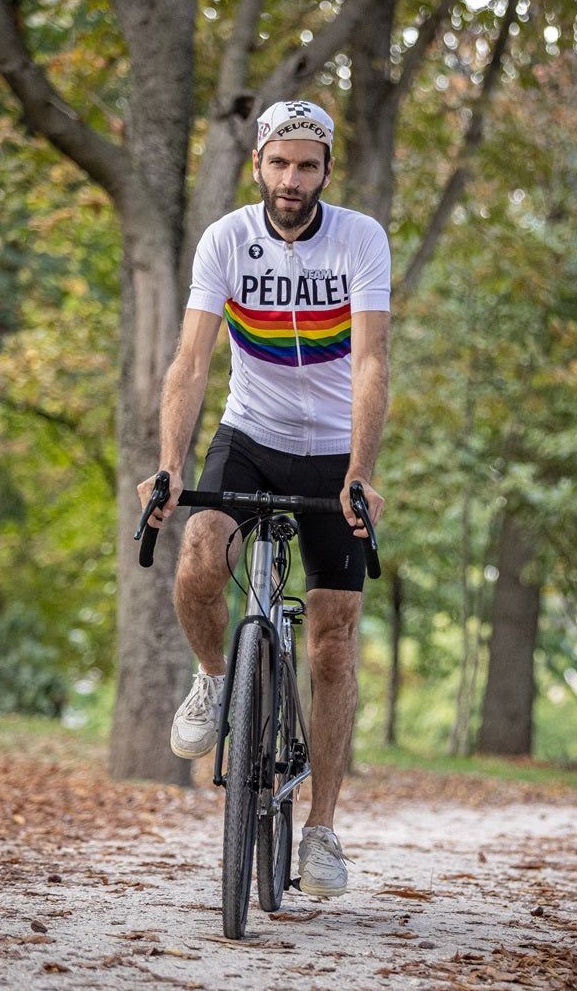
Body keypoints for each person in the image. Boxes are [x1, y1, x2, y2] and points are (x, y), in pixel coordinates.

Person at [137, 100, 391, 898]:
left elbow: (372, 364)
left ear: (325, 170)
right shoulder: (225, 241)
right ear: (258, 164)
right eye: (279, 164)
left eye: (307, 165)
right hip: (249, 431)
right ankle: (215, 678)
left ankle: (320, 831)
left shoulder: (360, 239)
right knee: (201, 553)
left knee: (332, 643)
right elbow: (190, 361)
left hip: (329, 453)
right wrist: (171, 464)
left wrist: (360, 469)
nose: (292, 179)